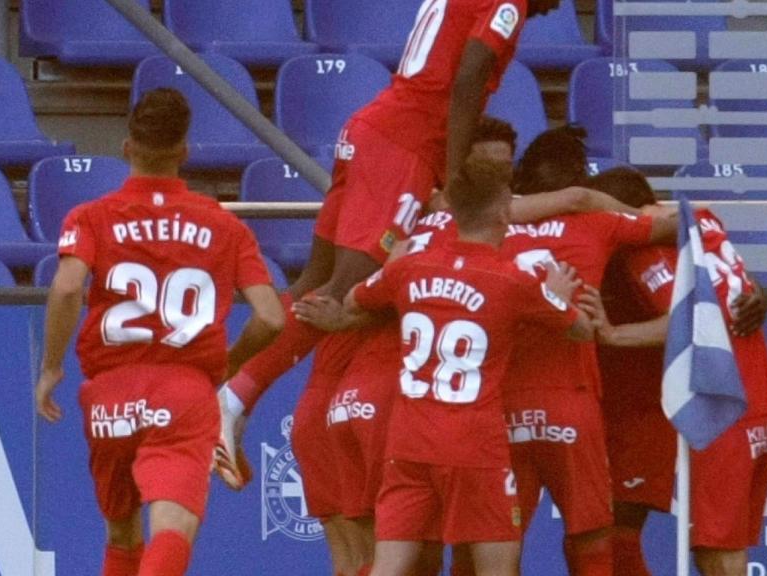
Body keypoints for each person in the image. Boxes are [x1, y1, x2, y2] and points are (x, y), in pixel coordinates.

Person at [216, 0, 565, 494]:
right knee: (342, 291)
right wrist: (453, 173)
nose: (555, 11)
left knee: (314, 281)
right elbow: (467, 81)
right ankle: (231, 400)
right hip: (402, 146)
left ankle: (227, 379)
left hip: (373, 129)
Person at [290, 116, 641, 576]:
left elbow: (355, 303)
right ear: (503, 216)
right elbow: (578, 329)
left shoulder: (408, 266)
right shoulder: (512, 280)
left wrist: (333, 315)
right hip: (474, 447)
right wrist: (557, 293)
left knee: (387, 567)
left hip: (408, 442)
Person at [34, 88, 285, 576]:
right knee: (171, 529)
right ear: (185, 152)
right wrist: (231, 363)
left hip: (109, 395)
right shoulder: (223, 225)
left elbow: (66, 290)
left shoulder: (91, 216)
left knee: (121, 532)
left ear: (127, 147)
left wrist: (50, 367)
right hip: (182, 390)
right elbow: (272, 316)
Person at [591, 167, 767, 576]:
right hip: (762, 402)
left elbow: (690, 322)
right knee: (727, 546)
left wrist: (612, 335)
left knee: (716, 548)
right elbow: (729, 294)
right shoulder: (705, 222)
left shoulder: (645, 248)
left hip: (723, 405)